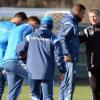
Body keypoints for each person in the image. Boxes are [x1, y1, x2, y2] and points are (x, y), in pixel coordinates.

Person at [17, 16, 66, 100]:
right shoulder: (54, 39)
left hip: (32, 71)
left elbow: (20, 50)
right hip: (46, 72)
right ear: (51, 26)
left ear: (41, 25)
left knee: (35, 95)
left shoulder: (30, 36)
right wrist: (62, 70)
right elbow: (59, 58)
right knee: (48, 97)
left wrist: (23, 55)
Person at [2, 16, 40, 100]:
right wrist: (22, 52)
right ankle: (35, 96)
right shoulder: (29, 27)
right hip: (15, 60)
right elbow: (25, 39)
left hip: (6, 62)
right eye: (37, 27)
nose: (37, 29)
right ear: (34, 23)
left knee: (13, 91)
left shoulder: (15, 29)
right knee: (36, 75)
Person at [58, 3, 86, 100]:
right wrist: (66, 53)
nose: (83, 16)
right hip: (69, 58)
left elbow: (71, 39)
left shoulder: (72, 21)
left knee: (65, 84)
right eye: (83, 14)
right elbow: (62, 38)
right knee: (69, 85)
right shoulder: (70, 22)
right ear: (77, 12)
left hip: (69, 57)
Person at [0, 11, 28, 100]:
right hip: (9, 62)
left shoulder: (1, 24)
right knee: (14, 90)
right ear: (20, 19)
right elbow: (19, 46)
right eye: (23, 23)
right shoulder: (16, 30)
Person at [79, 8, 100, 100]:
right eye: (91, 17)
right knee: (95, 89)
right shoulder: (87, 31)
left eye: (95, 16)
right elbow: (76, 40)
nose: (93, 18)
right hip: (93, 67)